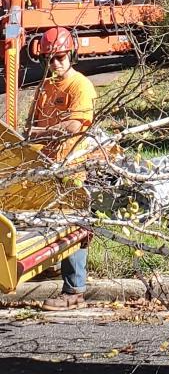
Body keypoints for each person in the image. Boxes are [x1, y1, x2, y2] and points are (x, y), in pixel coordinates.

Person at [28, 26, 96, 311]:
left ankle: (74, 290)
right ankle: (49, 266)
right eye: (50, 58)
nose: (55, 63)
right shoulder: (45, 86)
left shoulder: (80, 86)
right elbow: (30, 124)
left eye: (60, 57)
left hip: (72, 165)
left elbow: (72, 126)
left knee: (73, 224)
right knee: (45, 219)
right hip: (47, 166)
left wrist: (41, 134)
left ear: (71, 54)